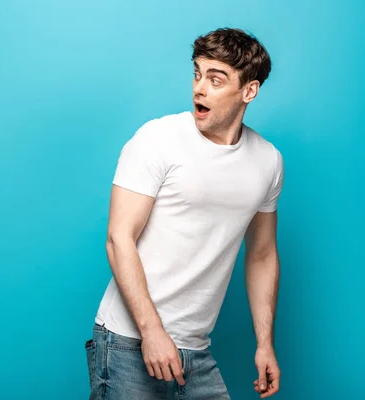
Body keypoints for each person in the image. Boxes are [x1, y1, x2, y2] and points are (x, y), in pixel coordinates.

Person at [84, 27, 283, 399]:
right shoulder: (157, 139)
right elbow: (118, 237)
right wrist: (152, 332)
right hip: (129, 341)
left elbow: (261, 255)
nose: (199, 88)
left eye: (215, 79)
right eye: (197, 73)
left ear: (249, 91)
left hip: (196, 348)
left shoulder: (267, 161)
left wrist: (264, 344)